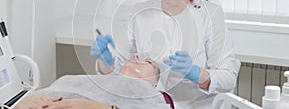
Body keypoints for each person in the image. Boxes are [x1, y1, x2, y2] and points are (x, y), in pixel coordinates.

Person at [90, 0, 240, 108]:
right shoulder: (140, 14)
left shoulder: (209, 15)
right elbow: (122, 72)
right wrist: (106, 62)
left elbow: (228, 77)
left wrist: (198, 74)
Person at [13, 56, 174, 109]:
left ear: (153, 84)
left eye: (148, 62)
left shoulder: (150, 95)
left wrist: (94, 106)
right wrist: (26, 102)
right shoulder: (87, 81)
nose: (136, 57)